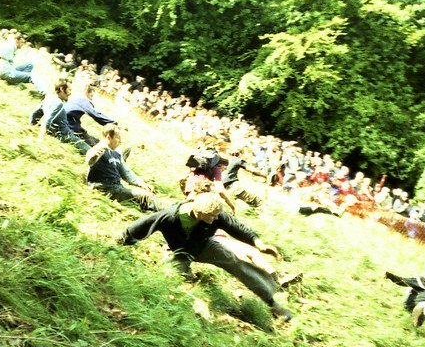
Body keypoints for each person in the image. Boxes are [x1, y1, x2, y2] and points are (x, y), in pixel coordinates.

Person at [118, 192, 294, 320]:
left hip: (204, 246)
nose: (215, 219)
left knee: (237, 263)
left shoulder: (215, 214)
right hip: (179, 252)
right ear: (198, 212)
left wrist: (258, 243)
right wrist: (121, 241)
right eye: (211, 216)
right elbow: (142, 225)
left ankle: (273, 304)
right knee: (172, 280)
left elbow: (236, 226)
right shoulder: (169, 217)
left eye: (216, 215)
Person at [86, 126, 157, 211]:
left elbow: (127, 173)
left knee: (146, 196)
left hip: (117, 189)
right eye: (118, 138)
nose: (120, 141)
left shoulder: (116, 154)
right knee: (146, 196)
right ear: (109, 137)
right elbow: (90, 161)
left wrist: (142, 184)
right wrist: (93, 157)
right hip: (104, 189)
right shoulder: (97, 150)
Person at [37, 78, 89, 154]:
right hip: (65, 136)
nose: (70, 93)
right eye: (69, 90)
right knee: (89, 150)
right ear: (62, 89)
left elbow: (36, 112)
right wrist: (40, 139)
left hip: (56, 133)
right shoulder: (58, 103)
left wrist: (32, 124)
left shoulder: (48, 98)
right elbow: (47, 121)